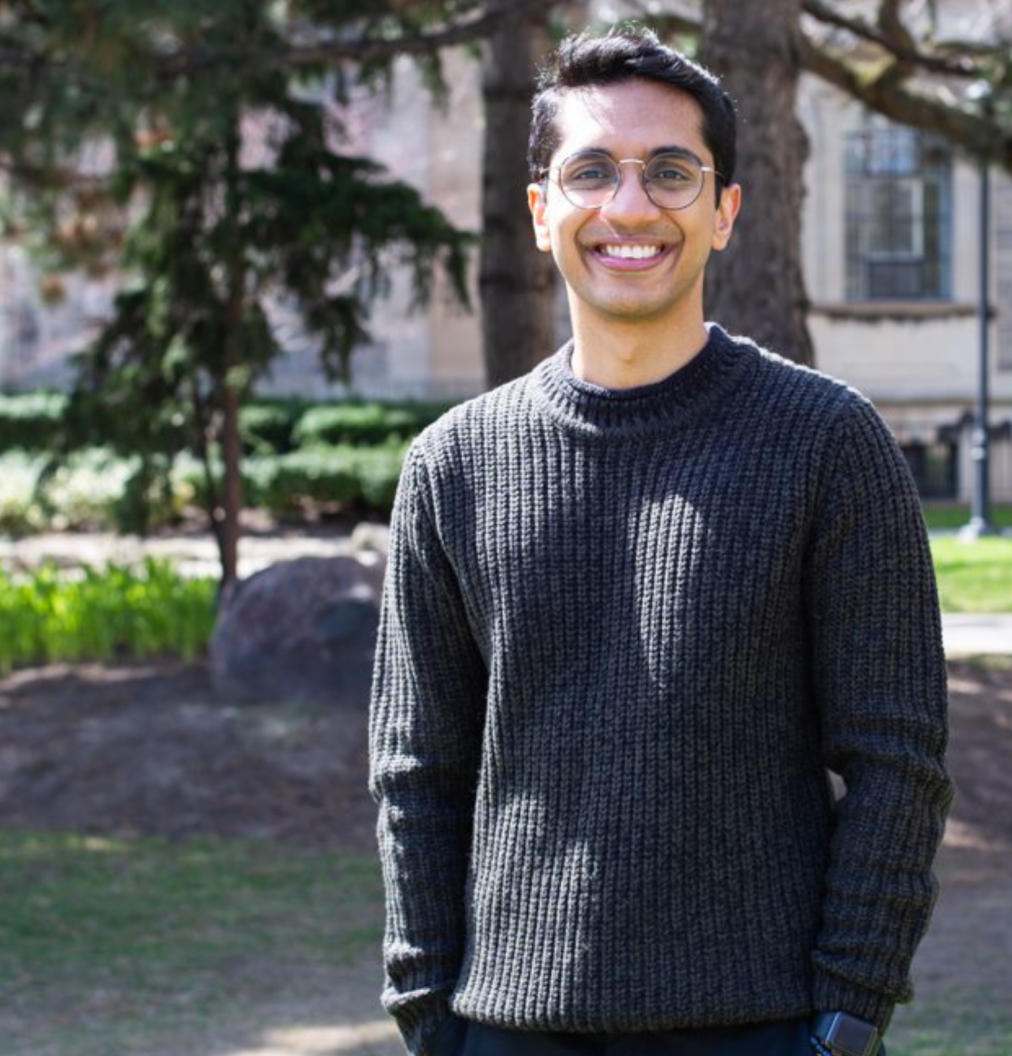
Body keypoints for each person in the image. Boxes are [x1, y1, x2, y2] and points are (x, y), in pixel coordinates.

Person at [369, 26, 953, 1056]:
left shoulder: (826, 444)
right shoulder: (451, 465)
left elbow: (896, 759)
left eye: (671, 172)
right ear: (543, 208)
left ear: (725, 211)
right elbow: (416, 769)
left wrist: (849, 1012)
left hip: (765, 1028)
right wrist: (429, 1015)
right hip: (506, 1030)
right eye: (591, 171)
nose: (630, 207)